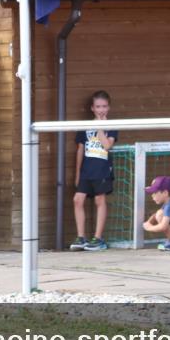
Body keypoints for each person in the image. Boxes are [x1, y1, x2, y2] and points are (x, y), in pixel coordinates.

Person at [71, 90, 118, 252]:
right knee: (77, 199)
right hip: (86, 170)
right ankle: (81, 236)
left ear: (109, 107)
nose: (101, 110)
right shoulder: (84, 127)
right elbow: (80, 150)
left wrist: (100, 127)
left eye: (104, 106)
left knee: (100, 201)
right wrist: (77, 174)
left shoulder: (111, 126)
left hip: (102, 170)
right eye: (98, 106)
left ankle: (98, 238)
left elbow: (107, 145)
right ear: (92, 108)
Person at [142, 175, 170, 252]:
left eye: (154, 193)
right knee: (160, 213)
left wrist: (148, 227)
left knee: (160, 214)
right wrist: (149, 221)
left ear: (165, 192)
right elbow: (155, 215)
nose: (152, 196)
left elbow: (163, 227)